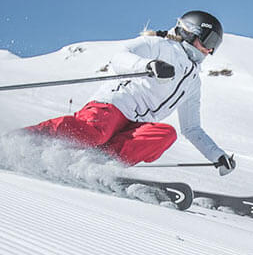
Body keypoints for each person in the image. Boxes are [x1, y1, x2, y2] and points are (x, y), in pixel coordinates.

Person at [24, 10, 236, 174]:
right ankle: (28, 137)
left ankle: (97, 164)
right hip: (113, 106)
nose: (210, 50)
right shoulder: (160, 45)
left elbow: (192, 128)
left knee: (165, 134)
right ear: (191, 32)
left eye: (214, 45)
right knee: (95, 133)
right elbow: (119, 57)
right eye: (209, 41)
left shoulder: (193, 82)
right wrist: (148, 65)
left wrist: (217, 156)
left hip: (137, 125)